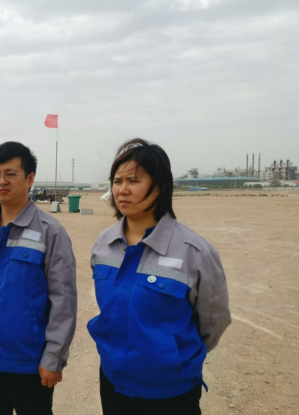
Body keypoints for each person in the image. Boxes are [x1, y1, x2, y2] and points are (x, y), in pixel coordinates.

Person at [87, 138, 231, 414]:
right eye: (117, 181)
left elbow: (214, 321)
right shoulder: (104, 243)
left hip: (171, 392)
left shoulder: (195, 252)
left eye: (133, 180)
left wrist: (173, 356)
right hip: (113, 383)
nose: (122, 189)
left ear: (160, 186)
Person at [0, 141, 77, 415]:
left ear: (30, 178)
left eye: (11, 174)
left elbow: (64, 301)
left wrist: (53, 358)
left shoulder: (51, 232)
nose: (2, 181)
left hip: (29, 363)